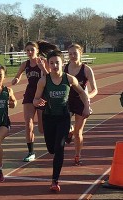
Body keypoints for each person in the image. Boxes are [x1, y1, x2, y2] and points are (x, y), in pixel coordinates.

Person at [33, 50, 91, 191]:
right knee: (51, 149)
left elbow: (82, 93)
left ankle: (55, 181)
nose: (54, 66)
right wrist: (37, 102)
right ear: (48, 64)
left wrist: (87, 107)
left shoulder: (70, 79)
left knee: (59, 148)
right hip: (49, 117)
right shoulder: (43, 81)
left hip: (64, 117)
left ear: (62, 63)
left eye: (57, 63)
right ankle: (69, 133)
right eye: (51, 63)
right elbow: (35, 99)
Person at [12, 41, 56, 162]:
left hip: (42, 94)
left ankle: (60, 134)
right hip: (30, 94)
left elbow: (50, 77)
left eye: (32, 50)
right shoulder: (25, 64)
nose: (29, 52)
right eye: (27, 50)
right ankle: (31, 152)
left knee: (42, 129)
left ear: (37, 50)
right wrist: (16, 79)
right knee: (28, 123)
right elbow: (18, 75)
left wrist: (42, 68)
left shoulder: (43, 62)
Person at [64, 43, 98, 165]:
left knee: (78, 133)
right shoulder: (64, 68)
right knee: (63, 123)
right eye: (70, 54)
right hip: (67, 101)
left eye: (75, 53)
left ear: (81, 54)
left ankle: (77, 155)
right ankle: (69, 129)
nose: (72, 56)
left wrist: (87, 97)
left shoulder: (87, 70)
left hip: (81, 102)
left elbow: (95, 90)